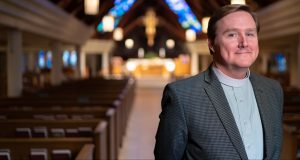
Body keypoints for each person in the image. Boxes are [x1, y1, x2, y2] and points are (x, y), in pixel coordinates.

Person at [154, 4, 283, 160]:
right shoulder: (182, 96)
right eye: (232, 35)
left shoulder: (273, 90)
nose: (244, 43)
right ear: (211, 44)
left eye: (250, 34)